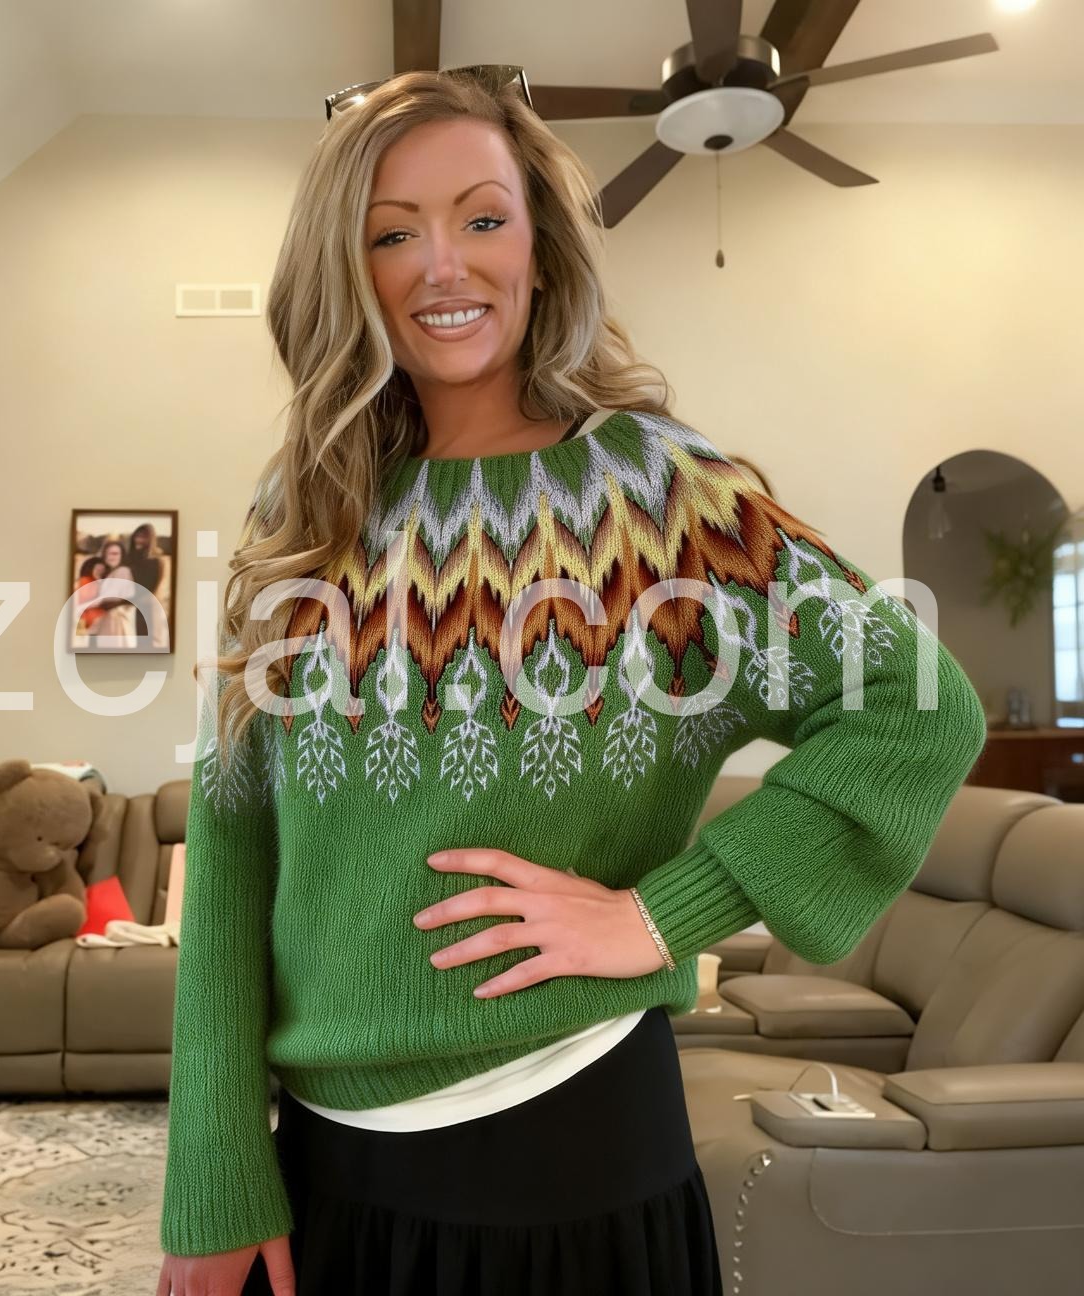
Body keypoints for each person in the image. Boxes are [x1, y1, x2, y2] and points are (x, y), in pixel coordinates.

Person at [156, 68, 987, 1296]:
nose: (444, 265)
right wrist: (213, 1172)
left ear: (540, 250)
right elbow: (233, 840)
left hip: (570, 1156)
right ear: (347, 269)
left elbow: (916, 706)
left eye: (483, 218)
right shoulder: (305, 509)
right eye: (394, 233)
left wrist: (657, 917)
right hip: (328, 1171)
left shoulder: (659, 493)